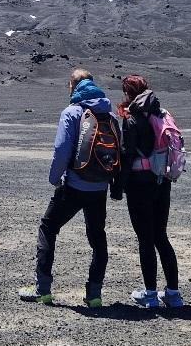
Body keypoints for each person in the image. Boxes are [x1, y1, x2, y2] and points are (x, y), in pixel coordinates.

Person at [18, 68, 117, 307]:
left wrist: (55, 178)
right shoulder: (110, 116)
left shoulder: (72, 112)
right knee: (97, 238)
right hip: (99, 188)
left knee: (48, 227)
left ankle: (43, 289)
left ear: (72, 86)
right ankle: (94, 295)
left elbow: (62, 149)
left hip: (73, 186)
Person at [111, 75, 184, 309]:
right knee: (161, 236)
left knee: (145, 238)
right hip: (162, 180)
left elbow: (126, 153)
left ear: (128, 93)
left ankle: (150, 295)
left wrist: (118, 187)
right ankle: (173, 294)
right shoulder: (162, 112)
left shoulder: (133, 117)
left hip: (139, 183)